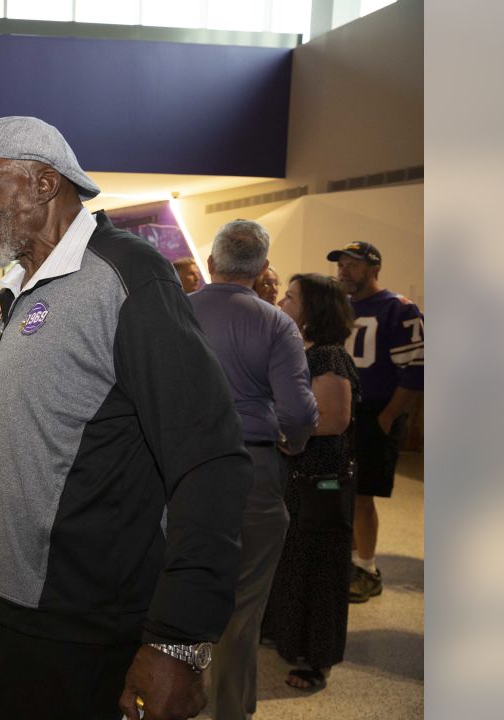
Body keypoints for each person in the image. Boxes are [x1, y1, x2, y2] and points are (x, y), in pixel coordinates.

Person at [0, 116, 252, 720]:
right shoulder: (27, 283)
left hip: (74, 624)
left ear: (43, 185)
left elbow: (211, 460)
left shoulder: (129, 275)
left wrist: (178, 640)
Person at [188, 220, 318, 720]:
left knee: (182, 584)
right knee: (243, 605)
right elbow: (300, 413)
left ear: (212, 264)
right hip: (253, 466)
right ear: (263, 269)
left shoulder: (177, 311)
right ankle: (229, 710)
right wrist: (294, 444)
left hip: (184, 468)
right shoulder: (275, 323)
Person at [263, 272, 360, 693]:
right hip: (302, 475)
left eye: (292, 297)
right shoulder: (310, 351)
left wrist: (279, 430)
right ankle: (289, 637)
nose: (283, 300)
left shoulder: (329, 357)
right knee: (295, 560)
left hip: (322, 480)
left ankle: (315, 657)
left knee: (320, 568)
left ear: (312, 309)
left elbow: (335, 419)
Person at [329, 241, 424, 602]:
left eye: (352, 265)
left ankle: (367, 567)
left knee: (363, 494)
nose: (343, 271)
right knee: (343, 492)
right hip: (345, 410)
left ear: (374, 268)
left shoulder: (397, 308)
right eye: (341, 265)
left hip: (376, 411)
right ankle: (350, 561)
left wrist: (386, 418)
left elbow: (415, 371)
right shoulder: (342, 308)